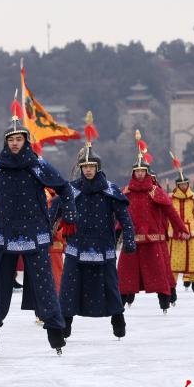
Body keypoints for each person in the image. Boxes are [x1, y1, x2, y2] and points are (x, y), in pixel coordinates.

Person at [0, 104, 74, 356]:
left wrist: (69, 216)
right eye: (11, 139)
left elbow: (64, 188)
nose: (15, 143)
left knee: (44, 286)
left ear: (26, 141)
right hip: (3, 234)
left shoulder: (39, 165)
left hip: (35, 233)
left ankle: (56, 336)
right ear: (5, 142)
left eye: (19, 139)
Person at [58, 112, 135, 339]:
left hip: (104, 246)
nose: (89, 169)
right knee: (70, 287)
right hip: (76, 246)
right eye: (85, 166)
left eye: (92, 166)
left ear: (98, 167)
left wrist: (129, 237)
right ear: (81, 168)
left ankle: (118, 319)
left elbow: (124, 216)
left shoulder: (110, 190)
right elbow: (53, 211)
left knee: (111, 286)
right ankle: (66, 324)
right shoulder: (71, 190)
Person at [117, 132, 188, 313]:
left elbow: (170, 212)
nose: (140, 174)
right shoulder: (126, 192)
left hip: (153, 240)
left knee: (159, 274)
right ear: (133, 173)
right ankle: (121, 302)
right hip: (131, 241)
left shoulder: (155, 192)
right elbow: (121, 215)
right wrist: (116, 233)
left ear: (147, 172)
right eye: (137, 171)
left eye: (143, 171)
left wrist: (181, 228)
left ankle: (165, 300)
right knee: (126, 275)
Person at [168, 155, 194, 297]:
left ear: (189, 184)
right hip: (174, 233)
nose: (184, 187)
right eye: (181, 185)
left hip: (191, 232)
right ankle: (171, 287)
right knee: (174, 261)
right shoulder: (171, 198)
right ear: (177, 185)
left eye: (186, 184)